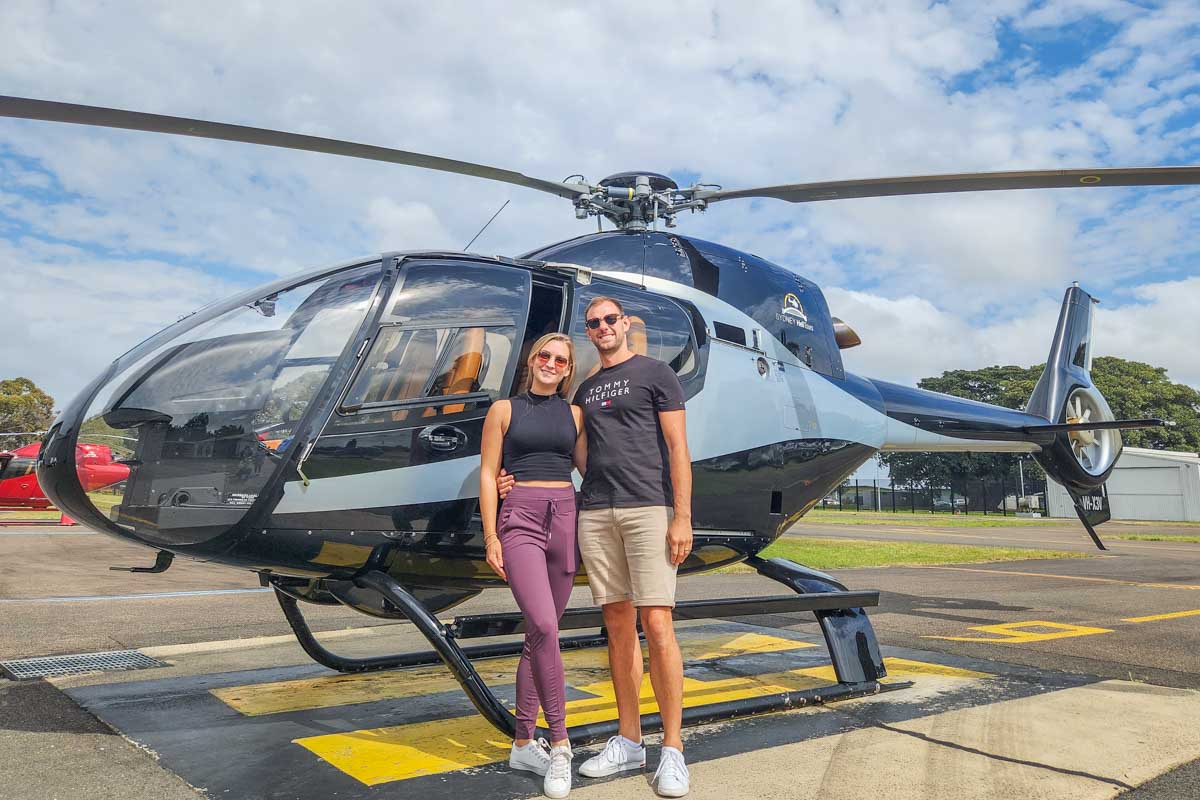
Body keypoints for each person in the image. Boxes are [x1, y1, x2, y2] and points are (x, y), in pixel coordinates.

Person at [500, 296, 693, 798]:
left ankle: (672, 747)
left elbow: (678, 448)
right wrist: (511, 481)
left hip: (648, 507)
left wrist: (682, 517)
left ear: (625, 324)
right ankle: (629, 738)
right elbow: (563, 450)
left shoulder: (655, 374)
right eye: (594, 323)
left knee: (657, 622)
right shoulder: (583, 390)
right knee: (617, 625)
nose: (603, 327)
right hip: (595, 511)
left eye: (611, 319)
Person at [480, 332, 584, 799]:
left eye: (560, 359)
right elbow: (487, 474)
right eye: (544, 354)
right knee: (545, 623)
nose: (550, 362)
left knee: (537, 636)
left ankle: (523, 741)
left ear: (567, 370)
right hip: (519, 518)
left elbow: (589, 468)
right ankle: (560, 744)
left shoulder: (575, 414)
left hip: (565, 518)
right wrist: (490, 535)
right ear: (532, 359)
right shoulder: (503, 410)